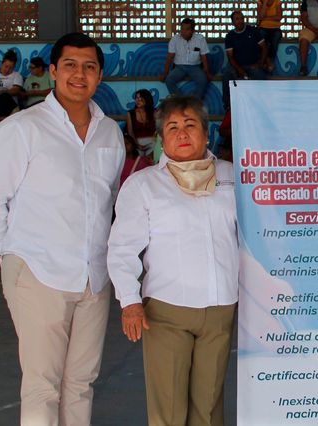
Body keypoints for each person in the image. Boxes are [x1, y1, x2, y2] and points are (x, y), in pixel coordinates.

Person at [0, 32, 125, 425]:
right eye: (70, 65)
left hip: (93, 277)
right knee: (43, 385)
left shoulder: (110, 132)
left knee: (81, 384)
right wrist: (7, 257)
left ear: (99, 76)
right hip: (38, 271)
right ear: (53, 71)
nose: (79, 74)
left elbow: (109, 201)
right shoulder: (23, 128)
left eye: (89, 67)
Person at [107, 95, 238, 426]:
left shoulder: (233, 177)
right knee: (169, 410)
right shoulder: (144, 184)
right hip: (166, 311)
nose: (182, 133)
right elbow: (122, 247)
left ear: (205, 133)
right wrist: (129, 301)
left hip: (220, 308)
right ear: (161, 138)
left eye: (190, 125)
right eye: (173, 127)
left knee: (209, 409)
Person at [222, 10, 268, 111]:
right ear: (233, 22)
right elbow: (230, 57)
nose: (240, 21)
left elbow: (264, 48)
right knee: (226, 75)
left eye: (242, 18)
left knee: (261, 76)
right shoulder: (230, 36)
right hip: (236, 65)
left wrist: (260, 63)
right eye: (237, 19)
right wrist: (240, 71)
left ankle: (262, 104)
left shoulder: (253, 31)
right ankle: (228, 105)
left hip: (252, 65)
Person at [161, 18, 213, 100]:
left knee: (203, 80)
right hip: (179, 67)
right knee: (169, 80)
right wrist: (165, 73)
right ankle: (181, 101)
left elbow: (204, 56)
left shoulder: (200, 39)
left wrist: (207, 72)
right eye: (182, 29)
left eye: (187, 29)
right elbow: (170, 57)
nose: (183, 32)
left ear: (193, 30)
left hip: (195, 67)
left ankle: (194, 102)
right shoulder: (175, 39)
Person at [126, 88, 157, 158]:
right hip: (137, 142)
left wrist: (154, 141)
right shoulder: (131, 113)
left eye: (140, 98)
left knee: (152, 159)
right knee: (138, 160)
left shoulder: (154, 112)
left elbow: (158, 130)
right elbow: (130, 132)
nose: (138, 100)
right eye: (136, 98)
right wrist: (137, 145)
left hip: (152, 142)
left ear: (147, 99)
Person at [257, 0, 283, 73]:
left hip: (275, 28)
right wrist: (265, 3)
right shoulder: (260, 2)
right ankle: (265, 62)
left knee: (275, 39)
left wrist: (265, 18)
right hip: (263, 27)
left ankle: (269, 60)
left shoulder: (277, 2)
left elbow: (279, 17)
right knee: (262, 39)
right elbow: (261, 16)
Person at [0, 49, 23, 118]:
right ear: (2, 63)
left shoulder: (17, 75)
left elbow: (16, 90)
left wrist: (3, 91)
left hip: (9, 108)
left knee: (4, 95)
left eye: (11, 68)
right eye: (6, 66)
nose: (7, 70)